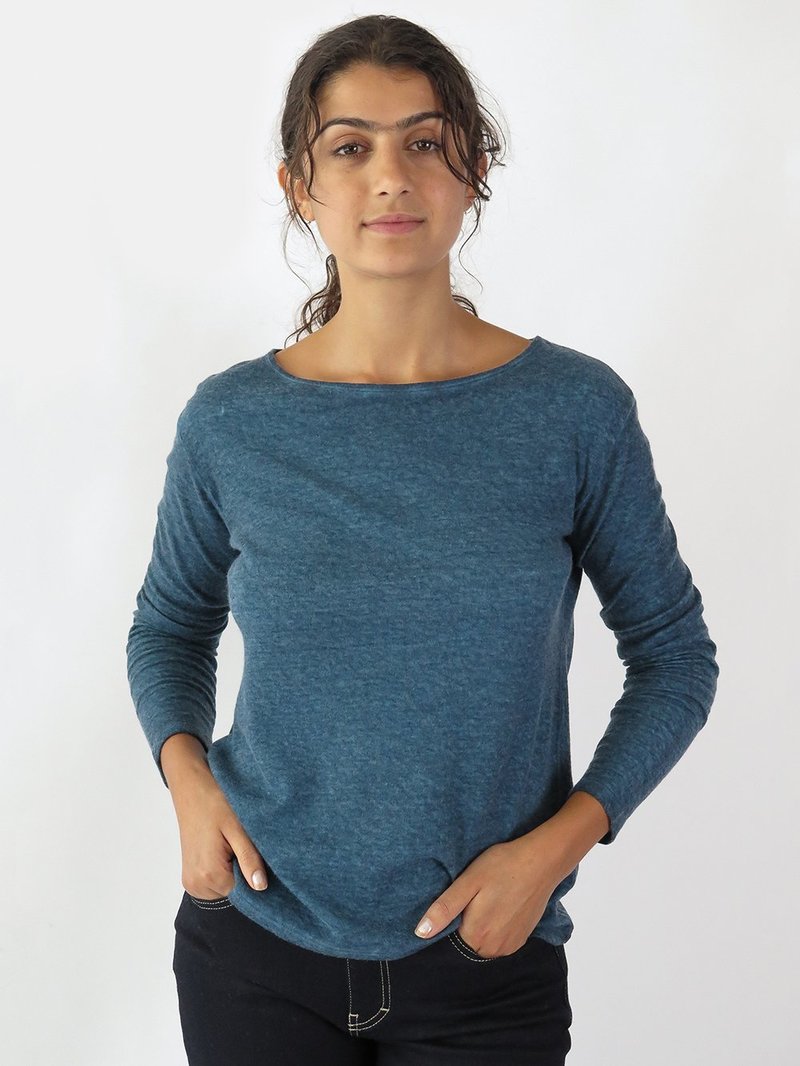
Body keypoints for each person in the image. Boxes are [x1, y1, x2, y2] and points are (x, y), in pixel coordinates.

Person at [125, 14, 719, 1066]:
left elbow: (674, 657)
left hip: (487, 962)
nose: (390, 177)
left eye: (425, 142)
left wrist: (556, 848)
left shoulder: (573, 411)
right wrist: (188, 781)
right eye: (350, 147)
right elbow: (170, 626)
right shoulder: (231, 421)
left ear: (473, 172)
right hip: (252, 950)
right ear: (298, 185)